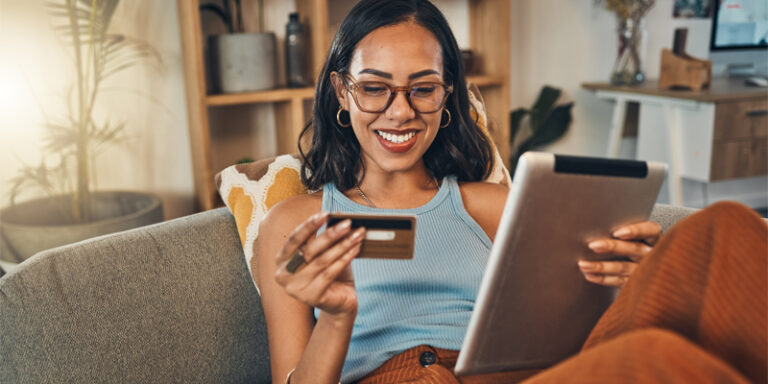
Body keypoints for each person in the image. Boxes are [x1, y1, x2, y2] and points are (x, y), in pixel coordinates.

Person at [256, 1, 766, 383]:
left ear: (447, 94)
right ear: (343, 91)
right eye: (374, 87)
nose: (400, 111)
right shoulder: (295, 222)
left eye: (423, 87)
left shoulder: (496, 205)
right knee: (656, 359)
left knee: (727, 227)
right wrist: (339, 316)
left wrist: (632, 280)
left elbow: (563, 327)